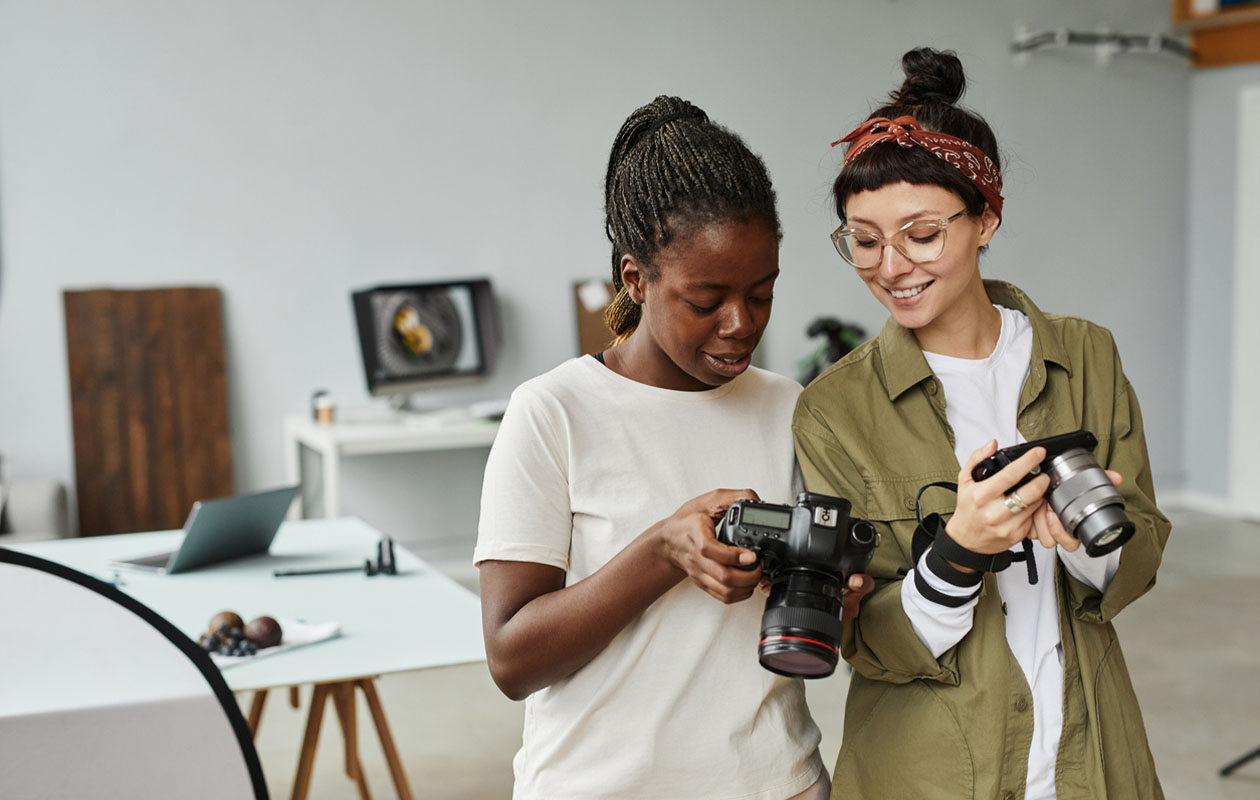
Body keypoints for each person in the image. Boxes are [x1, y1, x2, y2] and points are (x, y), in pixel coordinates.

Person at [792, 48, 1171, 799]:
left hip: (1089, 761)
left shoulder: (1086, 355)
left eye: (921, 234)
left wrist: (1082, 543)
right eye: (862, 240)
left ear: (987, 218)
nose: (890, 266)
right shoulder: (834, 410)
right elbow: (865, 642)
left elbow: (1142, 552)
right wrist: (960, 551)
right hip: (928, 770)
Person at [476, 95, 858, 800]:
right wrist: (663, 552)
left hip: (777, 786)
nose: (741, 323)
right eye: (706, 300)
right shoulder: (554, 412)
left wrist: (844, 593)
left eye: (762, 293)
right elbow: (510, 659)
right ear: (635, 279)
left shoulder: (789, 409)